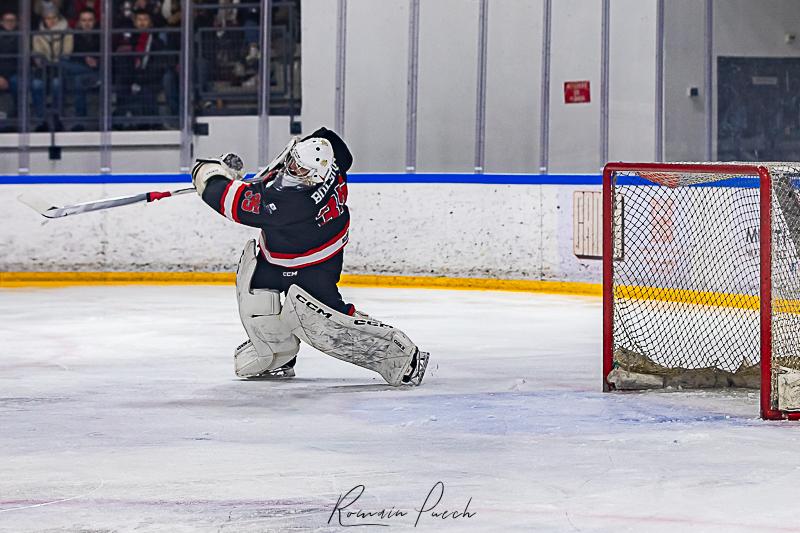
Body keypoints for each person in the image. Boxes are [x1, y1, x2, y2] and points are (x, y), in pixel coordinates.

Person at [191, 127, 430, 386]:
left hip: (313, 266)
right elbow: (331, 140)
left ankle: (403, 358)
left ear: (314, 178)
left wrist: (210, 172)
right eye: (293, 161)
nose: (291, 169)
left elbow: (223, 198)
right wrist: (299, 150)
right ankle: (277, 357)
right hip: (287, 254)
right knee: (255, 295)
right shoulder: (331, 159)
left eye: (300, 170)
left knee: (327, 323)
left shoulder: (288, 204)